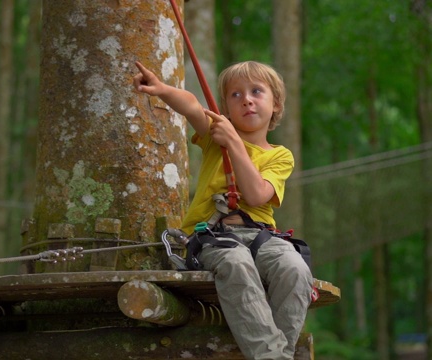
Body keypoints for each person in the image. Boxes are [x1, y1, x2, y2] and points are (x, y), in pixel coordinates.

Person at [132, 60, 313, 360]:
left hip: (260, 236)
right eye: (235, 95)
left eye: (256, 91)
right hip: (214, 236)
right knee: (236, 262)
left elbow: (256, 195)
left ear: (276, 103)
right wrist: (162, 89)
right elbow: (191, 105)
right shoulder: (216, 135)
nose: (247, 100)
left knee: (294, 268)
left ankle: (277, 353)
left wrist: (234, 144)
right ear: (226, 108)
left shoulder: (280, 156)